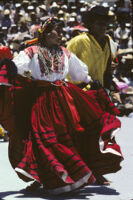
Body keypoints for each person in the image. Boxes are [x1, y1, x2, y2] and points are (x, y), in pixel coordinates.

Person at [0, 17, 123, 195]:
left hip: (64, 98)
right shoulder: (32, 51)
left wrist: (91, 82)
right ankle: (43, 177)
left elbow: (78, 72)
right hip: (41, 100)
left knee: (72, 135)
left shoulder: (65, 53)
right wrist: (9, 66)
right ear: (47, 33)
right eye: (58, 31)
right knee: (42, 139)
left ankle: (71, 175)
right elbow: (18, 66)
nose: (61, 35)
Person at [67, 6, 120, 100]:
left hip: (100, 93)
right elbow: (67, 69)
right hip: (80, 93)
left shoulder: (108, 42)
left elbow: (107, 72)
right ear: (90, 24)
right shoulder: (78, 42)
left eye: (105, 24)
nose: (103, 27)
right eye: (99, 24)